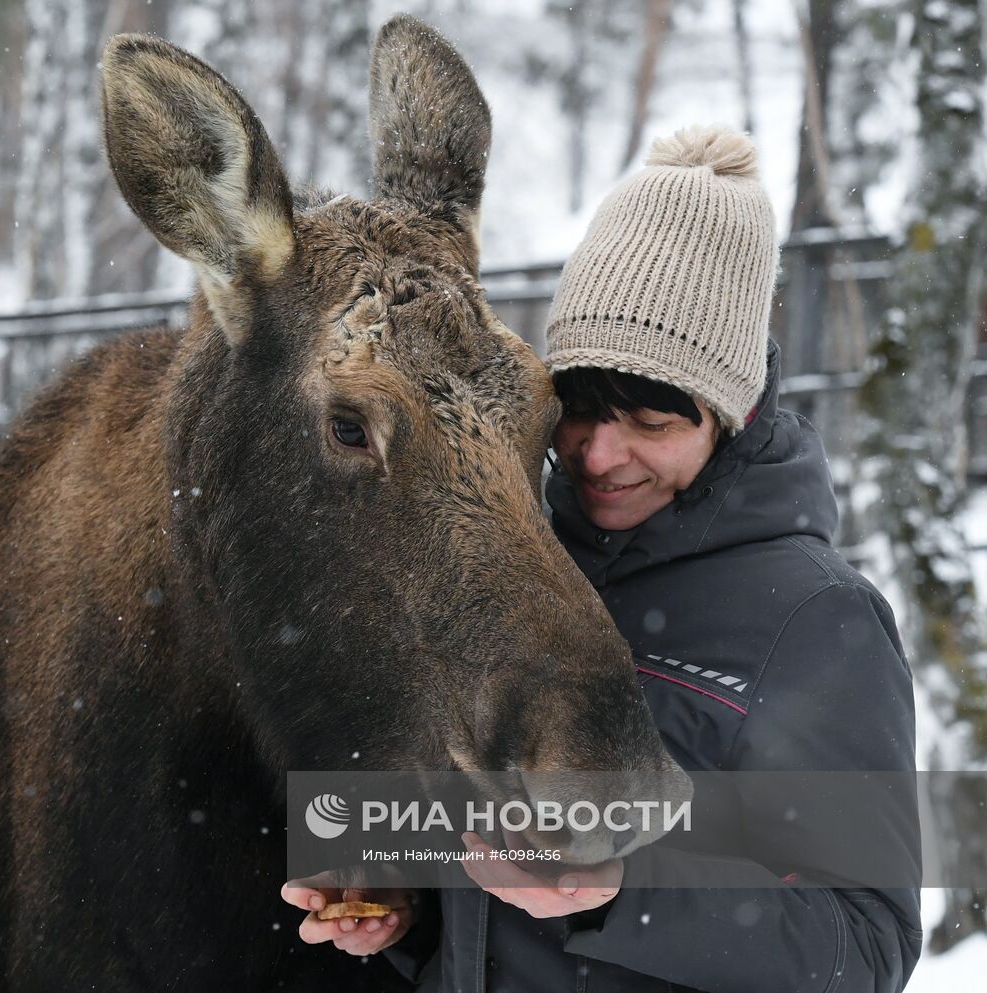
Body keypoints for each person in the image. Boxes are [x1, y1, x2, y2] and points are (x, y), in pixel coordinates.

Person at [282, 125, 921, 991]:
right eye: (578, 403)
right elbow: (487, 874)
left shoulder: (816, 621)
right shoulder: (517, 562)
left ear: (729, 416)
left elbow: (867, 943)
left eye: (651, 421)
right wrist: (403, 902)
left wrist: (623, 889)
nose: (595, 453)